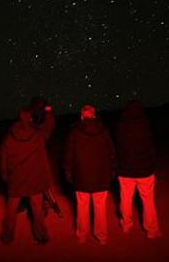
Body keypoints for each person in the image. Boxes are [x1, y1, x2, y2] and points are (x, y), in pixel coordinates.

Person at [0, 106, 55, 245]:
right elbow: (48, 128)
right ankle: (41, 236)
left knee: (11, 209)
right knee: (37, 209)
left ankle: (7, 237)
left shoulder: (9, 137)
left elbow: (3, 159)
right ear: (30, 118)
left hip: (16, 179)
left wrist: (5, 176)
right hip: (34, 178)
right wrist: (48, 113)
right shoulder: (37, 136)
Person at [64, 105, 116, 245]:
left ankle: (82, 235)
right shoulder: (104, 130)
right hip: (100, 177)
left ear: (82, 116)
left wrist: (68, 172)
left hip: (81, 176)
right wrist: (111, 171)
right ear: (94, 115)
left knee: (82, 207)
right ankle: (102, 236)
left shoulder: (75, 131)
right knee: (100, 208)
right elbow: (112, 153)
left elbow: (68, 154)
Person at [116, 101, 162, 239]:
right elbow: (151, 147)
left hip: (125, 171)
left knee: (125, 199)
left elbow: (118, 148)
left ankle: (126, 225)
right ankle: (152, 230)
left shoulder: (120, 126)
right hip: (144, 171)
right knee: (148, 201)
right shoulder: (146, 125)